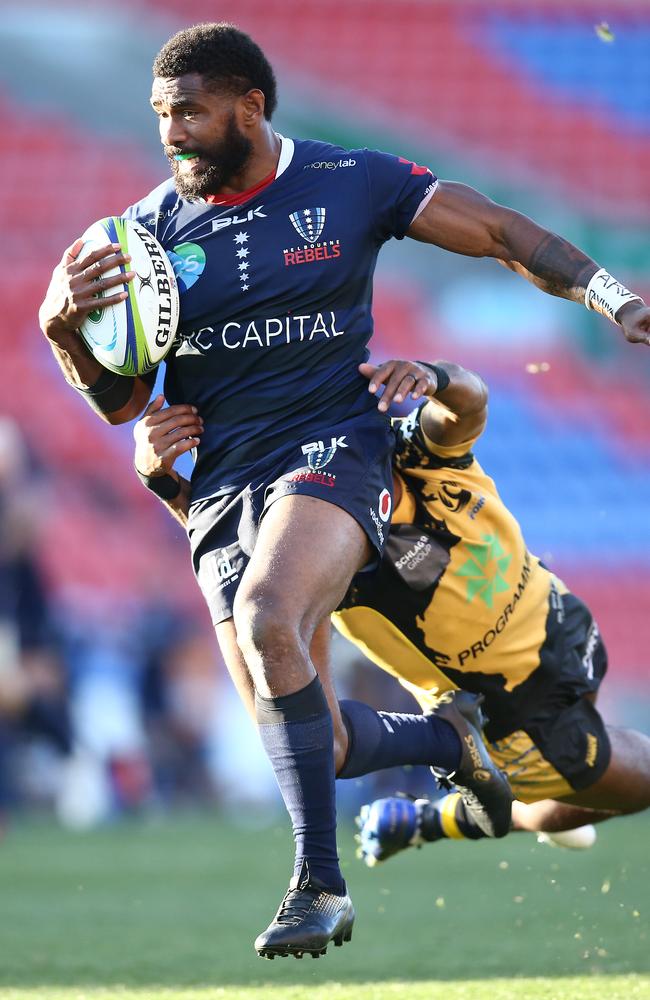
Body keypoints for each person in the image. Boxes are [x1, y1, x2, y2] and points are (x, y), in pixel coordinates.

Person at [37, 21, 650, 958]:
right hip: (219, 484)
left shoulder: (347, 182)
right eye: (162, 115)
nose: (174, 133)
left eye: (192, 112)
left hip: (334, 446)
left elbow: (492, 229)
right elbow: (122, 404)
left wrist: (608, 293)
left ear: (251, 105)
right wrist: (63, 330)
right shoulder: (148, 236)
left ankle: (316, 886)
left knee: (269, 615)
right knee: (305, 737)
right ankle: (454, 747)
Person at [133, 358, 650, 870]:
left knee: (580, 771)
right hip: (512, 716)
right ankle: (436, 819)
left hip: (562, 619)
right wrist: (165, 484)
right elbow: (243, 572)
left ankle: (477, 809)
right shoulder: (320, 550)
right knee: (607, 787)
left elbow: (470, 404)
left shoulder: (416, 451)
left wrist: (437, 376)